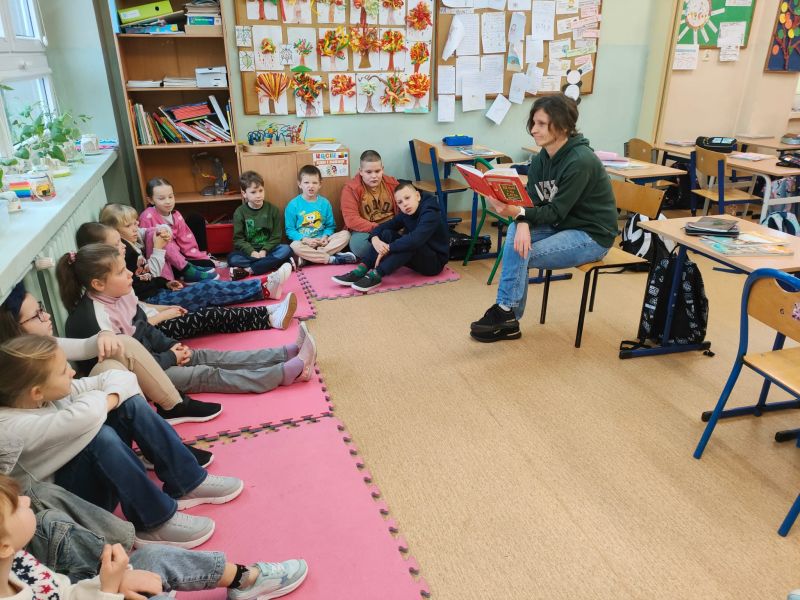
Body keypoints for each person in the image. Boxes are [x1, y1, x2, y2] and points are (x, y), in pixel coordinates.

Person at [0, 335, 243, 548]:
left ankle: (186, 481)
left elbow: (122, 378)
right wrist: (105, 400)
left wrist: (111, 399)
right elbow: (84, 417)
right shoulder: (10, 428)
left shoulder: (44, 396)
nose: (72, 372)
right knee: (100, 437)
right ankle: (154, 521)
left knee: (129, 403)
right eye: (64, 371)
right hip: (73, 510)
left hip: (91, 480)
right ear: (36, 392)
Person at [0, 282, 217, 465]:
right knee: (114, 370)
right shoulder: (21, 373)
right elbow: (71, 419)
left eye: (42, 307)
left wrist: (104, 333)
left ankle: (172, 410)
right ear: (14, 328)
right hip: (80, 437)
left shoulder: (42, 346)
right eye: (37, 315)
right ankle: (160, 440)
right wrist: (112, 397)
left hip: (85, 417)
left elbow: (85, 346)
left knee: (120, 346)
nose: (47, 315)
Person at [57, 244, 317, 394]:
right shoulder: (97, 320)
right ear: (98, 284)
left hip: (156, 358)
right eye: (121, 271)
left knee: (206, 356)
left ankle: (283, 353)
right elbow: (132, 366)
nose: (129, 275)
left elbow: (145, 329)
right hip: (139, 378)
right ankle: (282, 374)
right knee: (206, 373)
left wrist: (172, 346)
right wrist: (171, 358)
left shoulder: (121, 294)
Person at [0, 474, 308, 599]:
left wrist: (109, 584)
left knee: (152, 557)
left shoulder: (18, 562)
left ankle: (244, 579)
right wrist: (110, 589)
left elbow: (65, 593)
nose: (26, 501)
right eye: (17, 506)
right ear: (3, 545)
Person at [469, 93, 618, 343]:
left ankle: (506, 314)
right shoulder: (541, 158)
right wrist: (522, 222)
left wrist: (517, 213)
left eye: (541, 124)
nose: (533, 130)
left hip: (591, 235)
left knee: (520, 252)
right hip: (562, 224)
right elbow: (531, 199)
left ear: (563, 126)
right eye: (533, 123)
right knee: (516, 238)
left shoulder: (580, 161)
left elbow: (554, 211)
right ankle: (507, 314)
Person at [76, 222, 298, 336]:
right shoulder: (110, 283)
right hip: (156, 313)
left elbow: (143, 286)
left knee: (209, 293)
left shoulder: (120, 264)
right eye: (117, 243)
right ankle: (264, 294)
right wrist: (165, 311)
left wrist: (164, 284)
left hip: (157, 303)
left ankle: (264, 293)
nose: (123, 245)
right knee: (208, 295)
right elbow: (137, 316)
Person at [100, 204, 291, 311]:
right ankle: (262, 288)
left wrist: (164, 283)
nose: (135, 228)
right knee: (208, 290)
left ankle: (263, 285)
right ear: (113, 231)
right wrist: (157, 249)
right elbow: (149, 275)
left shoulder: (131, 241)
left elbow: (147, 276)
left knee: (209, 287)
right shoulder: (124, 252)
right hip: (155, 302)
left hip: (160, 291)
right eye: (129, 226)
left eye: (135, 223)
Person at [332, 181, 449, 293]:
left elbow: (416, 240)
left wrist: (388, 247)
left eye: (407, 198)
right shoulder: (406, 212)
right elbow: (383, 226)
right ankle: (362, 268)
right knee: (386, 233)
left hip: (434, 263)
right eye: (400, 202)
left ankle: (377, 274)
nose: (405, 204)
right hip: (420, 253)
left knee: (410, 244)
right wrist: (374, 239)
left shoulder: (430, 213)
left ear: (417, 196)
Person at [137, 178, 218, 276]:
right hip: (165, 261)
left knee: (195, 218)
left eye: (170, 197)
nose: (168, 201)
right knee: (207, 265)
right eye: (161, 198)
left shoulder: (176, 215)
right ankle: (187, 270)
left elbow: (186, 241)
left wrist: (201, 257)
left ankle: (197, 262)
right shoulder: (147, 217)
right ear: (151, 200)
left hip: (180, 254)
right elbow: (148, 249)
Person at [284, 165, 355, 267]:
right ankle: (330, 259)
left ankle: (309, 259)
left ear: (320, 184)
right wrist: (305, 240)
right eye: (306, 182)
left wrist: (325, 237)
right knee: (294, 245)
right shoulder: (293, 205)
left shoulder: (325, 203)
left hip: (323, 243)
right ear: (299, 184)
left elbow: (330, 226)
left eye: (314, 183)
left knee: (346, 234)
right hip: (305, 243)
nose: (311, 186)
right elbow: (290, 230)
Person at [228, 171, 293, 280]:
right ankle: (273, 264)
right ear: (244, 194)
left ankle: (249, 270)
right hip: (249, 253)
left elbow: (276, 236)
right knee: (232, 259)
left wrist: (264, 250)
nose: (258, 195)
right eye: (253, 192)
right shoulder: (239, 212)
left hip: (269, 250)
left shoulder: (273, 210)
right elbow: (238, 239)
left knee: (287, 249)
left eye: (261, 191)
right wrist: (252, 252)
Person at [340, 150, 400, 259]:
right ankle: (396, 252)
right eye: (368, 172)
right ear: (361, 171)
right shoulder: (350, 189)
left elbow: (403, 210)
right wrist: (378, 229)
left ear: (382, 169)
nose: (374, 176)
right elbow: (351, 220)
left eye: (377, 171)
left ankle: (386, 253)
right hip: (366, 231)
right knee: (359, 246)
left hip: (392, 228)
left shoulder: (393, 184)